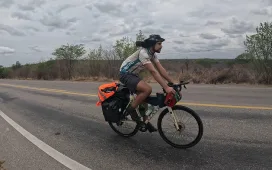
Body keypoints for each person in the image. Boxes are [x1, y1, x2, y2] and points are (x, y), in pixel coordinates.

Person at [119, 34, 176, 132]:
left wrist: (172, 83)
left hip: (134, 75)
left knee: (144, 97)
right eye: (159, 43)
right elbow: (154, 72)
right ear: (152, 44)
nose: (161, 46)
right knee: (147, 89)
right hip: (125, 74)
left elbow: (161, 70)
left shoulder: (152, 54)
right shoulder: (143, 53)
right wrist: (166, 87)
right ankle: (129, 110)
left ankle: (145, 121)